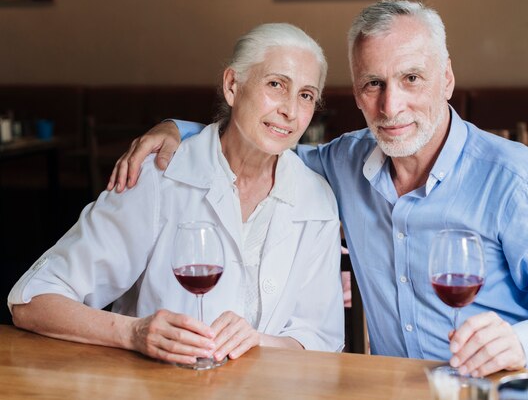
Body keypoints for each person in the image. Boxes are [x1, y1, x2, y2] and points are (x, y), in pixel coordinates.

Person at [106, 0, 528, 377]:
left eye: (411, 78)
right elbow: (259, 138)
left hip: (497, 390)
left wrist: (521, 342)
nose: (391, 107)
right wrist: (178, 128)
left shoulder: (510, 177)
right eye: (373, 84)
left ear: (447, 80)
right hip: (395, 389)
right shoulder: (345, 161)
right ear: (356, 92)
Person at [8, 23, 344, 366]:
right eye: (276, 84)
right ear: (232, 86)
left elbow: (321, 338)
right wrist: (133, 333)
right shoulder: (158, 177)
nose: (290, 110)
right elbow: (33, 300)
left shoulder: (316, 197)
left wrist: (259, 341)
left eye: (306, 95)